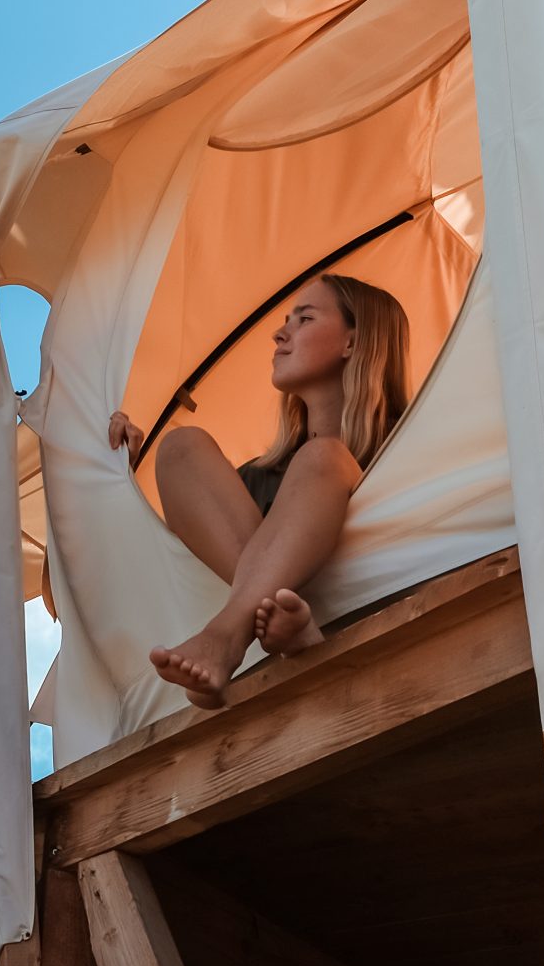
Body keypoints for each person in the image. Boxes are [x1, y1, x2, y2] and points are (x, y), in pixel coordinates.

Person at [108, 273, 409, 709]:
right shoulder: (256, 481)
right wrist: (122, 473)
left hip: (372, 606)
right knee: (179, 447)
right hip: (288, 614)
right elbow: (159, 570)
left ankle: (227, 636)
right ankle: (283, 618)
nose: (279, 332)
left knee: (323, 458)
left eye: (304, 319)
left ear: (352, 343)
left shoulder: (413, 443)